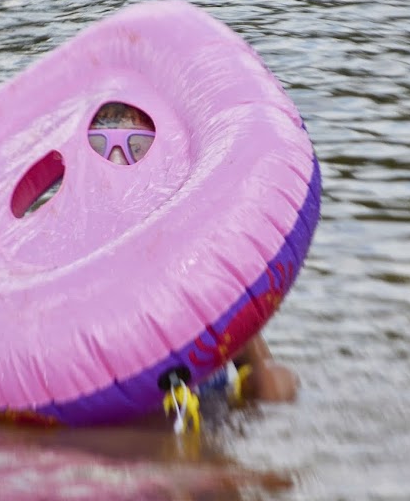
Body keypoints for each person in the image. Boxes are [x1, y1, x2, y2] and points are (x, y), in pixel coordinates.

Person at [88, 102, 299, 404]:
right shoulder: (69, 264)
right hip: (118, 400)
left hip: (199, 398)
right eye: (100, 149)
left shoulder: (193, 260)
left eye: (136, 148)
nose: (118, 163)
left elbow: (267, 380)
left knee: (274, 378)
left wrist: (262, 381)